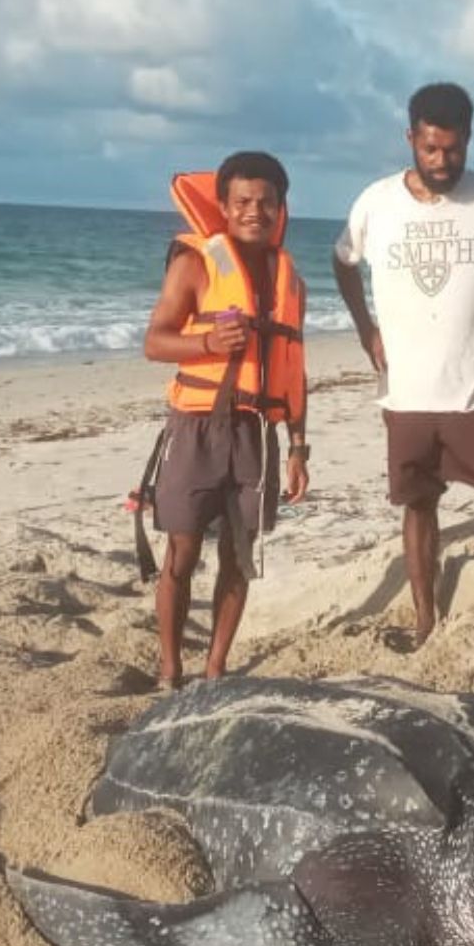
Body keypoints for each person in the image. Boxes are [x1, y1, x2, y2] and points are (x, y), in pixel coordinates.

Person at [333, 82, 474, 655]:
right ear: (411, 139)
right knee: (418, 503)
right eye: (430, 149)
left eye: (452, 150)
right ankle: (426, 618)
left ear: (468, 141)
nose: (441, 161)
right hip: (406, 391)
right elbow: (343, 260)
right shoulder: (376, 201)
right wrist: (365, 330)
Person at [141, 151, 310, 686]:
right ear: (224, 205)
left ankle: (215, 668)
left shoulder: (291, 281)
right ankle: (170, 669)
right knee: (183, 549)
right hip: (198, 428)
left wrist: (299, 447)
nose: (254, 212)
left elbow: (294, 371)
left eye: (266, 202)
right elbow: (154, 341)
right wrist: (208, 341)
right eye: (242, 202)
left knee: (239, 555)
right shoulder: (195, 263)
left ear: (281, 208)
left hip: (257, 433)